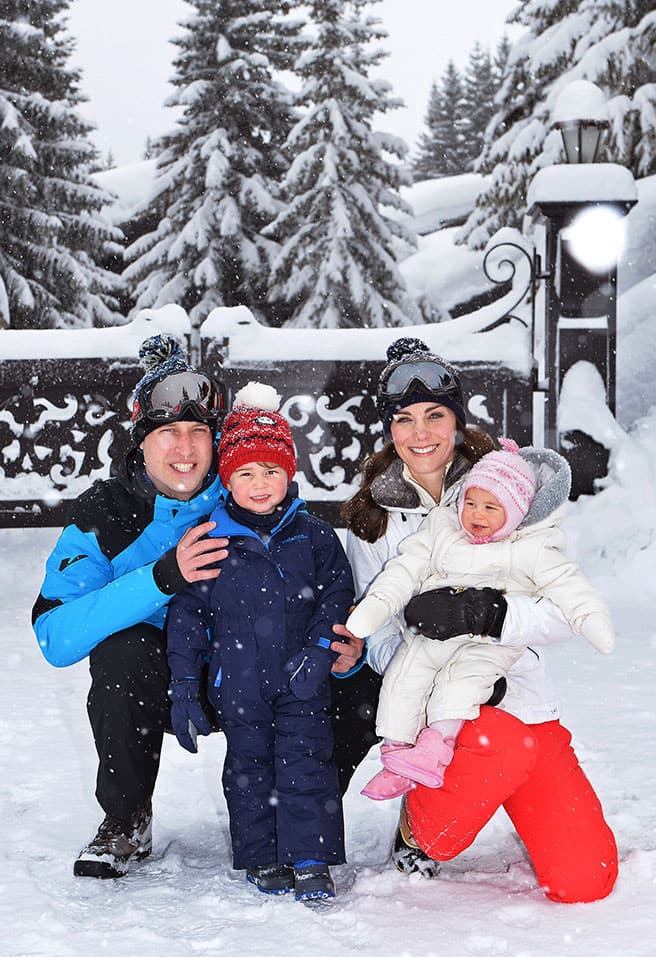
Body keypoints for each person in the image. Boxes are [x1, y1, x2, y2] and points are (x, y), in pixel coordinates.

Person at [31, 335, 362, 879]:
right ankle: (126, 817)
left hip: (271, 671)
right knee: (122, 652)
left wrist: (346, 643)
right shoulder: (105, 513)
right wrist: (162, 577)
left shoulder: (252, 492)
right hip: (175, 680)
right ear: (141, 440)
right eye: (167, 432)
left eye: (197, 432)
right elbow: (55, 637)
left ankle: (299, 804)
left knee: (357, 671)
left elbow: (325, 583)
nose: (183, 448)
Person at [341, 336, 618, 902]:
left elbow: (565, 608)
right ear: (389, 430)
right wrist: (438, 664)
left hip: (524, 699)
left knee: (586, 879)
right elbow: (376, 635)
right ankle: (420, 829)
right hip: (444, 709)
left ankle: (501, 786)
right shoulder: (375, 518)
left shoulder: (511, 488)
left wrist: (494, 615)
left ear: (458, 421)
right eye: (405, 420)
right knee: (495, 747)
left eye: (435, 416)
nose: (421, 434)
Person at [166, 382, 354, 901]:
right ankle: (263, 855)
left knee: (307, 764)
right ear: (228, 479)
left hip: (302, 678)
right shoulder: (210, 538)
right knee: (249, 771)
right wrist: (186, 686)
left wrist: (320, 649)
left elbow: (338, 595)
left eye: (271, 470)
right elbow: (186, 616)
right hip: (240, 685)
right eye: (245, 472)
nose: (259, 483)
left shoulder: (314, 535)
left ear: (288, 473)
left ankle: (312, 858)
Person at [346, 439, 614, 799]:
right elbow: (402, 570)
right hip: (430, 637)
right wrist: (378, 608)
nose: (477, 514)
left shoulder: (530, 547)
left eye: (491, 507)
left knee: (459, 687)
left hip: (490, 652)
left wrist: (492, 615)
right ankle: (397, 755)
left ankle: (432, 749)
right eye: (470, 503)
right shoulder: (441, 531)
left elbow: (569, 593)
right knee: (403, 677)